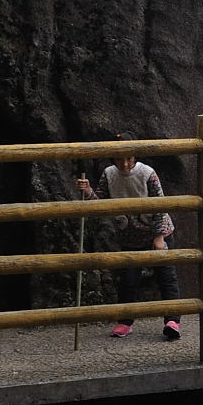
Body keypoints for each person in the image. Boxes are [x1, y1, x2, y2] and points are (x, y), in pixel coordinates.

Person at [76, 137, 182, 342]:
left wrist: (160, 237)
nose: (125, 164)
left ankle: (172, 320)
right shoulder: (109, 174)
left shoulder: (147, 173)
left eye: (129, 158)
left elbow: (161, 204)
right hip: (129, 235)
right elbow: (100, 203)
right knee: (128, 280)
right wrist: (88, 191)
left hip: (156, 232)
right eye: (120, 158)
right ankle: (125, 321)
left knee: (166, 277)